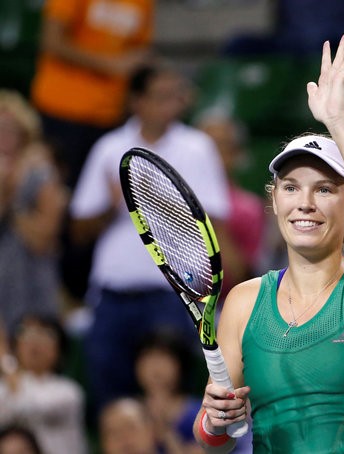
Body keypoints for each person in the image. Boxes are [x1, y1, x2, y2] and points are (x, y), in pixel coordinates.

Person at [192, 33, 344, 453]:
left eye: (325, 190)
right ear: (274, 201)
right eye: (291, 188)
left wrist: (339, 121)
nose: (306, 204)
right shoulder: (243, 302)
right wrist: (216, 421)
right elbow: (213, 440)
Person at [68, 63, 231, 413]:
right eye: (161, 96)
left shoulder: (198, 146)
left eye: (176, 96)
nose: (171, 104)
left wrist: (151, 197)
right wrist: (113, 205)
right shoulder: (108, 148)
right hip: (112, 296)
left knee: (172, 399)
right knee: (110, 399)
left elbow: (214, 223)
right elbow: (79, 230)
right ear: (136, 102)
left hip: (174, 295)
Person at [31, 0, 155, 189]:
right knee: (55, 191)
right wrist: (108, 64)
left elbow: (140, 49)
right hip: (61, 108)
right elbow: (51, 41)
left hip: (109, 115)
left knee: (97, 195)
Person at [0, 90, 67, 333]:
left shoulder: (41, 173)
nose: (3, 136)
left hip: (31, 278)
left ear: (24, 133)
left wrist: (14, 195)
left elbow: (44, 239)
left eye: (9, 129)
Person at [195, 109, 267, 298]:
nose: (208, 155)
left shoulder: (249, 209)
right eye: (202, 147)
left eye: (219, 146)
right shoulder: (167, 200)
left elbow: (242, 279)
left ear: (236, 154)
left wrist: (215, 224)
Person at [0, 314, 87, 454]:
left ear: (59, 348)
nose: (34, 342)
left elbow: (26, 408)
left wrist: (5, 360)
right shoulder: (4, 387)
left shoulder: (68, 391)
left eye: (45, 334)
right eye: (26, 334)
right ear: (15, 346)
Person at [134, 329, 207, 454]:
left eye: (164, 358)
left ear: (181, 365)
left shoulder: (201, 413)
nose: (155, 367)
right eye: (148, 358)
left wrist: (165, 431)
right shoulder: (128, 412)